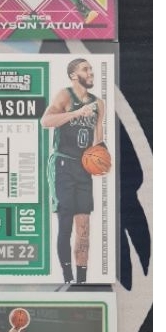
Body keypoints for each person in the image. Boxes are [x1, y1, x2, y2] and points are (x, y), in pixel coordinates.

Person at [41, 58, 107, 284]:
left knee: (84, 227)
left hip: (83, 168)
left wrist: (102, 157)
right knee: (65, 224)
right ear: (73, 75)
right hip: (63, 165)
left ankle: (82, 280)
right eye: (85, 69)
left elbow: (98, 136)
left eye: (91, 69)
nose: (91, 72)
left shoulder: (99, 103)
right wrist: (77, 113)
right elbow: (45, 121)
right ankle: (67, 277)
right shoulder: (65, 95)